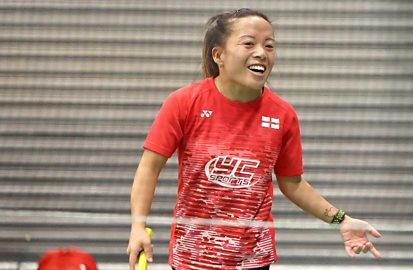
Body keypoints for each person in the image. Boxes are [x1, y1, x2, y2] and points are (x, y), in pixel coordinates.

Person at [127, 8, 381, 270]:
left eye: (269, 46)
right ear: (219, 55)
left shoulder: (283, 115)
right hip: (192, 259)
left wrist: (342, 220)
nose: (261, 52)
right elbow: (149, 167)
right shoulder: (183, 103)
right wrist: (137, 227)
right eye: (248, 43)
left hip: (253, 261)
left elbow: (293, 184)